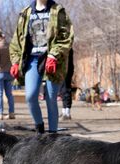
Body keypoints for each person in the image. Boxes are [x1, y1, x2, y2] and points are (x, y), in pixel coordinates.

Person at [9, 0, 74, 134]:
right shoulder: (26, 12)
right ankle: (40, 130)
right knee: (31, 96)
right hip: (32, 60)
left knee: (51, 98)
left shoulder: (57, 11)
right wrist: (15, 61)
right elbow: (17, 40)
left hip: (52, 59)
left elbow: (66, 36)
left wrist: (54, 55)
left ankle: (53, 135)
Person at [58, 48, 74, 120]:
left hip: (66, 69)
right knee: (62, 90)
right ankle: (64, 111)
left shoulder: (67, 47)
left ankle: (67, 112)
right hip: (62, 69)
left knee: (66, 89)